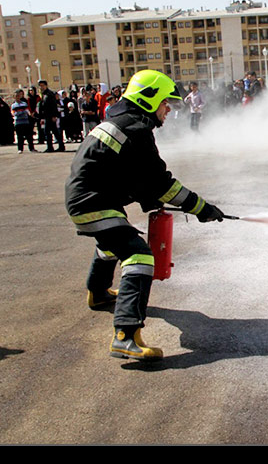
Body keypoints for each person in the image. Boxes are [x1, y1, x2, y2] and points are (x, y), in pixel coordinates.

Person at [65, 69, 226, 361]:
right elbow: (161, 185)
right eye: (166, 102)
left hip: (90, 198)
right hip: (93, 202)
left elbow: (137, 179)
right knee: (139, 256)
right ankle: (126, 336)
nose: (168, 110)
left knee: (111, 242)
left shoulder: (122, 121)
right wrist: (201, 208)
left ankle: (98, 293)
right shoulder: (136, 130)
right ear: (149, 98)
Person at [39, 80, 65, 152]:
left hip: (51, 116)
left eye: (42, 85)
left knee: (52, 132)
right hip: (46, 116)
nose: (41, 87)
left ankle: (58, 146)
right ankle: (51, 146)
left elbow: (53, 105)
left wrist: (54, 116)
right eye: (40, 86)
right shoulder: (43, 94)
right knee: (50, 132)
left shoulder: (49, 94)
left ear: (46, 86)